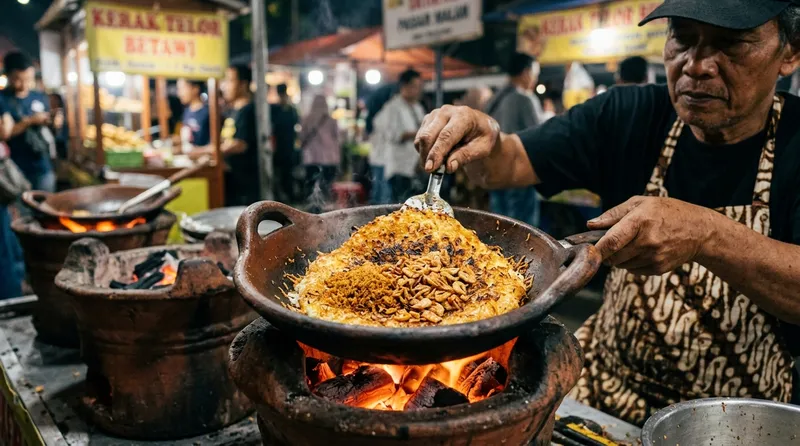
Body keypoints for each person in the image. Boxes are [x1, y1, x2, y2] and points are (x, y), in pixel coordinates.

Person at [415, 0, 800, 425]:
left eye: (731, 44)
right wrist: (483, 136)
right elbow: (508, 163)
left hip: (735, 417)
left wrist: (708, 235)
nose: (697, 65)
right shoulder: (628, 115)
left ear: (791, 51)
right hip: (602, 393)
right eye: (683, 39)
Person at [483, 53, 545, 227]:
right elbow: (540, 134)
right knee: (522, 229)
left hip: (495, 171)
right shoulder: (524, 99)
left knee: (498, 225)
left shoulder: (494, 99)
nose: (535, 79)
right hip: (519, 173)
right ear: (526, 72)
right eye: (535, 74)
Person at [200, 64, 260, 206]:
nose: (224, 86)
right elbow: (224, 141)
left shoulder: (248, 111)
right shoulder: (232, 111)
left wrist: (202, 151)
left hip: (245, 184)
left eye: (229, 81)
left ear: (243, 84)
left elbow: (239, 144)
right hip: (232, 180)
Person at [2, 52, 56, 194]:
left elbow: (50, 129)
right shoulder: (2, 99)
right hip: (14, 168)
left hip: (42, 165)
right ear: (8, 76)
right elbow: (4, 134)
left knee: (45, 204)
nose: (24, 84)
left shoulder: (39, 96)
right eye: (19, 79)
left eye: (28, 79)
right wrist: (30, 121)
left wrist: (53, 122)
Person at [375, 69, 425, 203]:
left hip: (415, 166)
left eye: (419, 86)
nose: (418, 90)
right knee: (399, 205)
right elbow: (392, 135)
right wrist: (418, 133)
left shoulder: (418, 107)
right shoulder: (392, 107)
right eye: (414, 86)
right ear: (404, 86)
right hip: (399, 167)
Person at [299, 95, 340, 213]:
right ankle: (325, 210)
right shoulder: (331, 120)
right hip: (329, 159)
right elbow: (338, 138)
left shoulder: (306, 119)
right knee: (325, 187)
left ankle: (312, 210)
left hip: (311, 159)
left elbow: (301, 137)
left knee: (311, 186)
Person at [365, 83, 397, 205]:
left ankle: (373, 213)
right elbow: (391, 135)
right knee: (383, 194)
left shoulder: (374, 114)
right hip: (384, 158)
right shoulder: (385, 112)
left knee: (377, 191)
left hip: (376, 157)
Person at [270, 84, 300, 203]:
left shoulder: (283, 109)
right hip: (283, 147)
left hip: (283, 147)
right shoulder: (287, 109)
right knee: (284, 175)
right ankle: (285, 197)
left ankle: (287, 197)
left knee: (286, 174)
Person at [176, 78, 211, 148]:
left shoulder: (208, 112)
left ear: (195, 89)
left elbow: (214, 145)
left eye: (182, 88)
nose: (179, 94)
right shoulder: (187, 111)